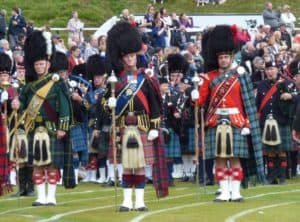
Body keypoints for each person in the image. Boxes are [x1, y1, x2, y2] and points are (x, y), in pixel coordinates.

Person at [193, 25, 265, 202]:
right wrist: (194, 95)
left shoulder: (240, 75)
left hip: (236, 120)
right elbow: (200, 102)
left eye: (226, 57)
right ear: (217, 59)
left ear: (231, 57)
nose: (223, 60)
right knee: (219, 158)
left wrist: (248, 123)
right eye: (221, 57)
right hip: (215, 120)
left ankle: (236, 191)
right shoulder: (208, 77)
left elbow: (248, 103)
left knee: (234, 158)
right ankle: (224, 191)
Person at [105, 21, 168, 211]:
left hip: (142, 126)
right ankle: (126, 201)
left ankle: (139, 201)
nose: (130, 59)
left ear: (136, 55)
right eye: (127, 56)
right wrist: (109, 103)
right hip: (123, 126)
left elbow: (155, 105)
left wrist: (154, 128)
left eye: (133, 55)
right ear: (122, 58)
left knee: (139, 165)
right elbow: (105, 105)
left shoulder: (146, 78)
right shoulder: (115, 80)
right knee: (126, 165)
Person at [11, 30, 75, 206]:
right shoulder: (28, 87)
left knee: (52, 164)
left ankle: (51, 197)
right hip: (34, 129)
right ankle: (40, 197)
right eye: (37, 64)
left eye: (42, 64)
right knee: (38, 165)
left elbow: (64, 107)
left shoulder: (56, 84)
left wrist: (63, 127)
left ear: (48, 64)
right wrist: (16, 103)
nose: (39, 67)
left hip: (52, 129)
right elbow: (21, 104)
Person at [256, 61, 296, 184]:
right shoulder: (261, 85)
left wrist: (291, 97)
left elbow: (297, 97)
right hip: (266, 121)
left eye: (272, 69)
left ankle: (282, 176)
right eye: (267, 69)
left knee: (281, 149)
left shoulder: (288, 83)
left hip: (281, 120)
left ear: (278, 70)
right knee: (270, 150)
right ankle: (272, 176)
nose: (270, 72)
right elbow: (258, 104)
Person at [0, 53, 13, 196]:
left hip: (6, 125)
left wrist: (11, 104)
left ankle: (4, 179)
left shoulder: (12, 90)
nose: (4, 78)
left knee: (5, 153)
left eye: (5, 75)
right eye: (1, 75)